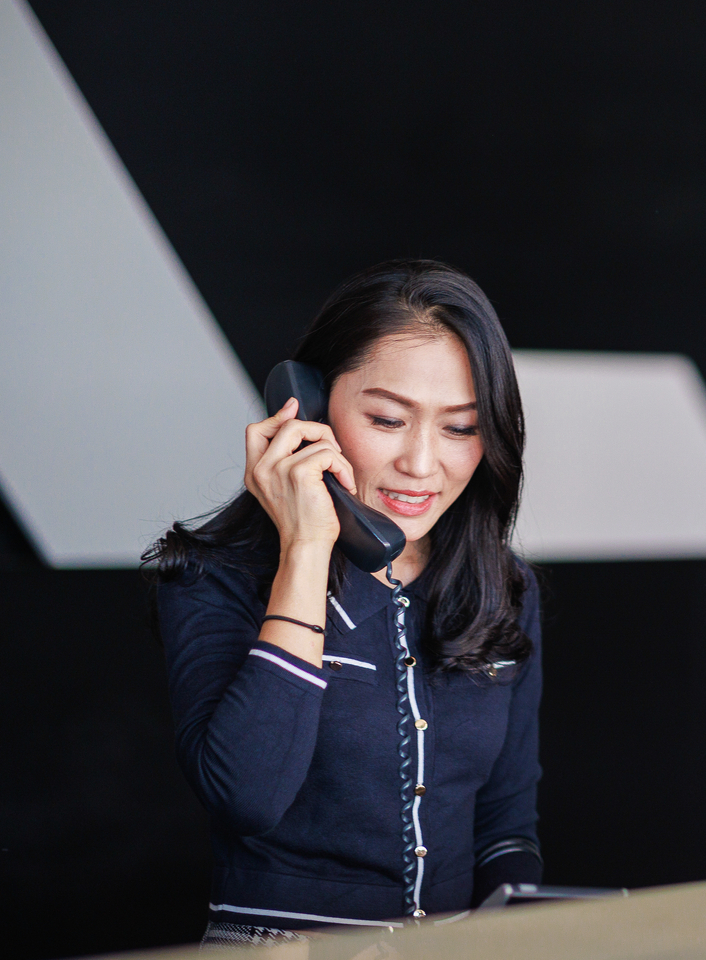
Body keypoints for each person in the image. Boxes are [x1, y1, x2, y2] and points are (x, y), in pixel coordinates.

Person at [145, 260, 542, 945]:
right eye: (388, 419)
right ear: (310, 406)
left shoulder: (501, 584)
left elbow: (504, 823)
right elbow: (248, 795)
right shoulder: (216, 575)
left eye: (459, 428)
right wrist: (305, 549)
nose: (422, 463)